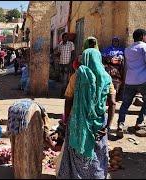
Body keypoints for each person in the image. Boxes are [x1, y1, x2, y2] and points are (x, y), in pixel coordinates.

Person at [57, 45, 113, 179]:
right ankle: (97, 175)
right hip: (99, 121)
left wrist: (66, 120)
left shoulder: (77, 75)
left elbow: (68, 99)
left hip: (78, 119)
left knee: (77, 148)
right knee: (98, 150)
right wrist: (108, 126)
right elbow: (113, 103)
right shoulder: (106, 77)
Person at [117, 29, 146, 138]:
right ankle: (139, 122)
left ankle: (120, 124)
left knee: (125, 104)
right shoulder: (144, 47)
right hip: (143, 80)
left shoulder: (127, 49)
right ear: (143, 36)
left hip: (130, 80)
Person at [101, 37, 125, 101]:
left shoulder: (121, 49)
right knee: (108, 81)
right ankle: (107, 97)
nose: (115, 42)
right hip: (108, 66)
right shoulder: (107, 49)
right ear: (112, 42)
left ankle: (115, 97)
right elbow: (103, 57)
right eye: (114, 41)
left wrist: (117, 59)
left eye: (116, 41)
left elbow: (121, 58)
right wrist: (109, 59)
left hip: (117, 68)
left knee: (117, 82)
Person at [58, 33, 75, 97]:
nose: (66, 38)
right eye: (64, 37)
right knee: (62, 79)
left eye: (67, 37)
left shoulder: (71, 44)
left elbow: (73, 54)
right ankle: (66, 92)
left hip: (67, 64)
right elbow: (59, 53)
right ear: (62, 38)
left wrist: (71, 63)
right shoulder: (60, 44)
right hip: (61, 64)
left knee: (65, 80)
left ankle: (63, 94)